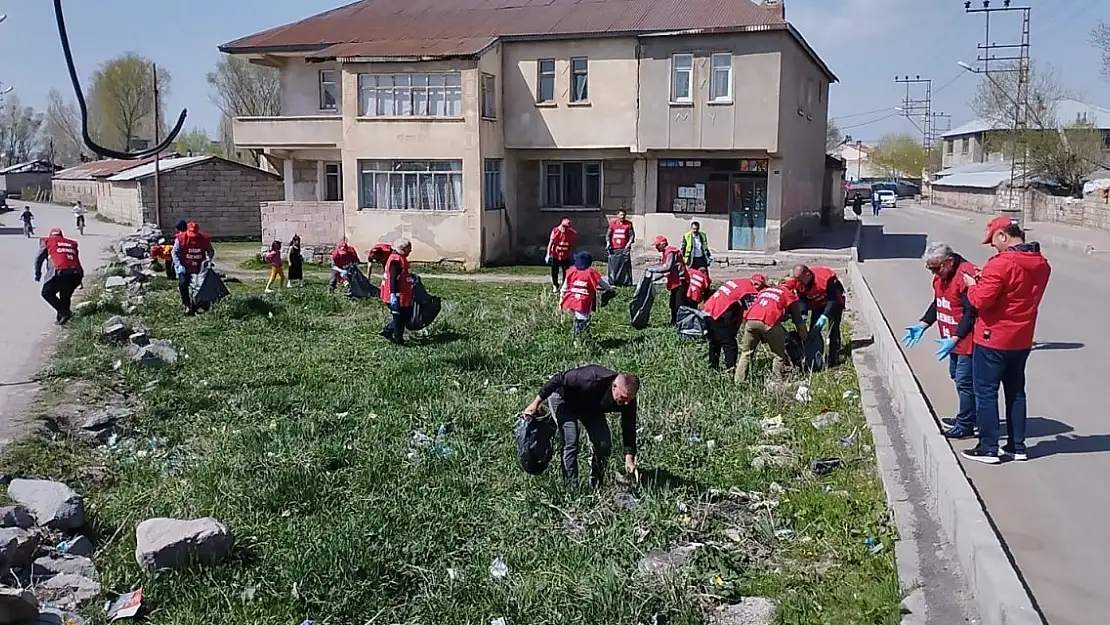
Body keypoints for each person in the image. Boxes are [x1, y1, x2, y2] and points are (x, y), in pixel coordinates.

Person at [960, 217, 1051, 465]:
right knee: (1016, 392)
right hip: (1021, 338)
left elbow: (980, 301)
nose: (993, 247)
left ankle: (989, 448)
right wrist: (986, 280)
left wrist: (972, 285)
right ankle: (1017, 446)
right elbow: (1015, 293)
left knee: (986, 393)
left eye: (993, 241)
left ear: (1003, 235)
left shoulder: (1000, 265)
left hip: (993, 337)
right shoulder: (1041, 263)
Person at [902, 242, 980, 439]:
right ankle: (968, 415)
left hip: (967, 341)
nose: (934, 273)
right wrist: (923, 324)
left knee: (965, 381)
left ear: (950, 262)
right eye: (930, 269)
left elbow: (971, 312)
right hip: (952, 339)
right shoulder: (941, 277)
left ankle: (966, 424)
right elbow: (939, 302)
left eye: (936, 268)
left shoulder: (966, 276)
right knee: (957, 376)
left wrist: (956, 338)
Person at [521, 366, 640, 486]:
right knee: (571, 441)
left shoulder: (628, 400)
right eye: (624, 398)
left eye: (629, 399)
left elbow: (628, 427)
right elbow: (558, 379)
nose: (626, 403)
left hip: (590, 407)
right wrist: (535, 404)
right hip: (563, 400)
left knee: (603, 443)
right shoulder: (591, 378)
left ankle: (597, 483)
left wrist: (629, 458)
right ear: (614, 387)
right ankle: (571, 488)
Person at [736, 281, 808, 382]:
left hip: (751, 320)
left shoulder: (766, 291)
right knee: (779, 355)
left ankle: (739, 381)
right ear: (794, 289)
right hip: (769, 322)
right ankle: (777, 382)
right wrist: (805, 338)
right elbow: (798, 321)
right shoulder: (790, 295)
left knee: (746, 353)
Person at [701, 273, 767, 372]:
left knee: (715, 341)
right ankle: (730, 370)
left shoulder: (738, 282)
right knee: (730, 344)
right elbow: (752, 310)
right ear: (756, 284)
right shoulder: (749, 290)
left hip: (708, 310)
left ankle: (712, 367)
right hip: (720, 315)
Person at [784, 264, 846, 367]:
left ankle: (834, 359)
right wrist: (803, 314)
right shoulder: (799, 282)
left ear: (807, 274)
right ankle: (815, 358)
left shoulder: (825, 278)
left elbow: (833, 299)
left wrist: (824, 316)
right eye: (797, 279)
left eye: (800, 279)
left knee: (833, 328)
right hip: (817, 303)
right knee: (814, 329)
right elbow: (802, 298)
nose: (799, 282)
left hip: (833, 302)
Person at [34, 227, 84, 325]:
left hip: (60, 272)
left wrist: (37, 273)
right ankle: (62, 320)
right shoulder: (71, 243)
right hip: (76, 274)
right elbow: (75, 259)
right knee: (65, 296)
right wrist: (80, 278)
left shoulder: (47, 241)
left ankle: (65, 312)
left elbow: (38, 258)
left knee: (46, 293)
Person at [560, 251, 614, 337]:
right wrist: (610, 289)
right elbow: (603, 283)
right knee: (583, 322)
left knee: (578, 320)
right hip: (583, 303)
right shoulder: (591, 273)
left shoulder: (571, 271)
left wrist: (561, 301)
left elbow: (564, 288)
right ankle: (579, 341)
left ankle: (580, 338)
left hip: (570, 301)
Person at [172, 221, 215, 315]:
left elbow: (210, 251)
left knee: (199, 286)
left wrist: (208, 260)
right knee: (183, 284)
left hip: (199, 267)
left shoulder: (204, 239)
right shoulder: (180, 239)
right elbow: (174, 253)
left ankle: (198, 304)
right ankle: (186, 304)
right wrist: (178, 265)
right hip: (184, 266)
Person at [645, 235, 689, 324]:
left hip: (680, 280)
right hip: (675, 281)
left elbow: (667, 268)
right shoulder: (665, 253)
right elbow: (665, 273)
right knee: (672, 304)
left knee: (678, 304)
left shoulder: (670, 252)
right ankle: (673, 322)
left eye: (657, 245)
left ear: (663, 244)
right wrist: (653, 278)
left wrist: (653, 270)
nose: (656, 247)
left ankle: (680, 323)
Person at [380, 238, 414, 346]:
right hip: (396, 296)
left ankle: (388, 331)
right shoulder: (395, 260)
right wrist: (394, 295)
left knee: (405, 315)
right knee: (399, 318)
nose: (410, 251)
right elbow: (393, 279)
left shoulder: (399, 258)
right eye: (409, 249)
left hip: (402, 296)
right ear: (403, 249)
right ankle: (399, 341)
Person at [546, 217, 577, 294]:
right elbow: (551, 243)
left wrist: (573, 254)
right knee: (554, 271)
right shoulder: (555, 231)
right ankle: (555, 285)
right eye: (563, 227)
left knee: (566, 272)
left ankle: (564, 285)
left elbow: (572, 245)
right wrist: (548, 254)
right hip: (556, 255)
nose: (565, 229)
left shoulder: (572, 233)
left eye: (566, 227)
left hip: (566, 255)